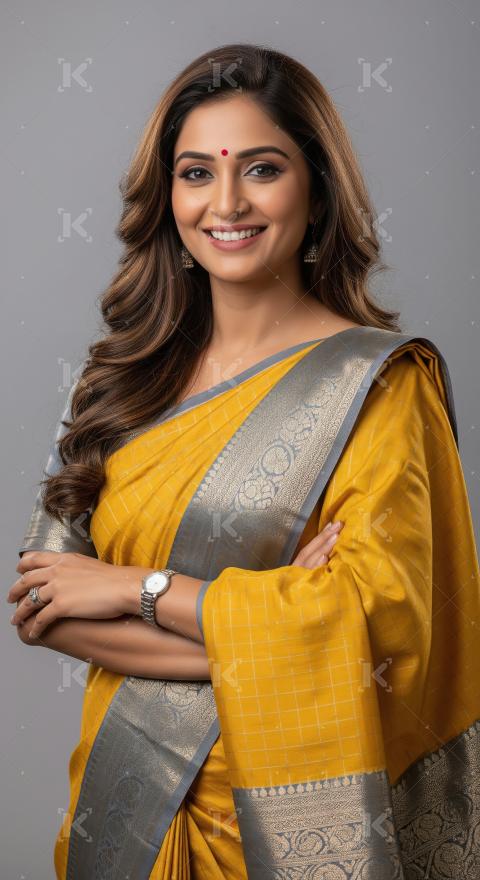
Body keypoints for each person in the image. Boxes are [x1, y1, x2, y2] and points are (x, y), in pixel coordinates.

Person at [8, 43, 479, 879]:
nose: (226, 202)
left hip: (272, 825)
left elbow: (382, 634)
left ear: (317, 189)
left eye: (261, 168)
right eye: (196, 173)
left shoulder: (376, 385)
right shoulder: (117, 380)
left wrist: (133, 589)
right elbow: (45, 607)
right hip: (121, 816)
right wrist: (271, 628)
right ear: (169, 194)